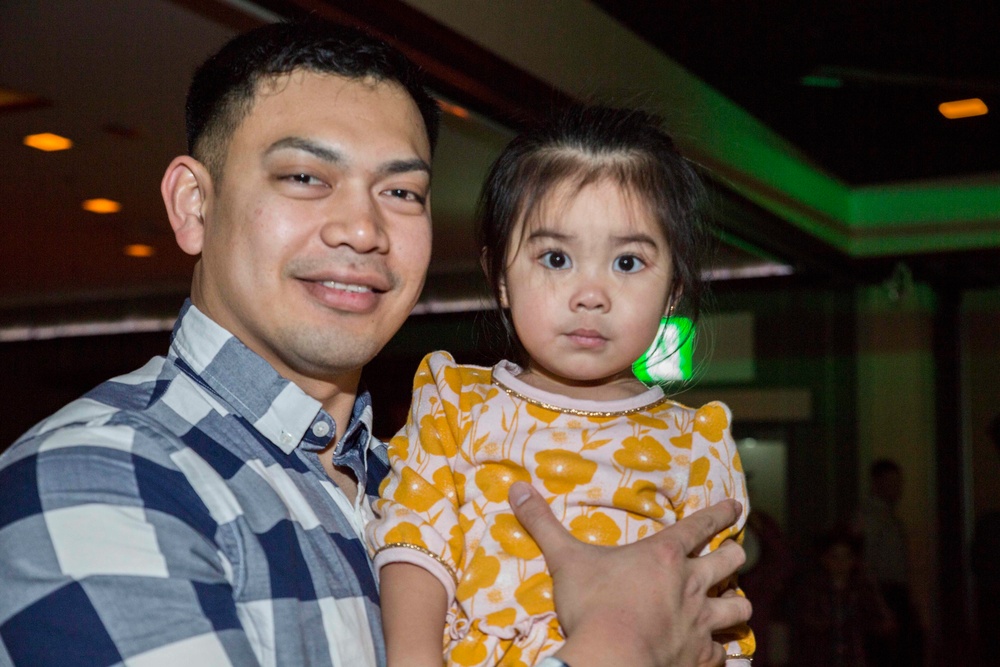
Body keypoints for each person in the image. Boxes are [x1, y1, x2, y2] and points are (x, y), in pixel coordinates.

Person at [0, 19, 750, 667]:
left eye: (401, 193)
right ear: (194, 205)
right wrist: (617, 642)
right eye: (303, 175)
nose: (362, 229)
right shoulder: (97, 474)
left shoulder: (416, 468)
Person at [367, 106, 755, 667]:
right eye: (556, 258)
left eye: (627, 261)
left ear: (673, 289)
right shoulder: (455, 404)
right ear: (500, 277)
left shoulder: (698, 443)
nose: (590, 293)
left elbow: (716, 619)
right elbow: (414, 544)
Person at [854, 458, 924, 666]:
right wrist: (879, 605)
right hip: (882, 591)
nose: (897, 489)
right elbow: (865, 562)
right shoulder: (869, 516)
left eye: (898, 483)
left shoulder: (887, 514)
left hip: (894, 591)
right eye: (890, 483)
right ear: (876, 483)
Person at [791, 528, 894, 667]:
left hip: (855, 657)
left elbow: (884, 622)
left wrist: (863, 623)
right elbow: (803, 621)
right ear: (824, 559)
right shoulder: (813, 589)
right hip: (821, 659)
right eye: (834, 557)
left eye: (846, 557)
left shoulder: (863, 589)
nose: (840, 563)